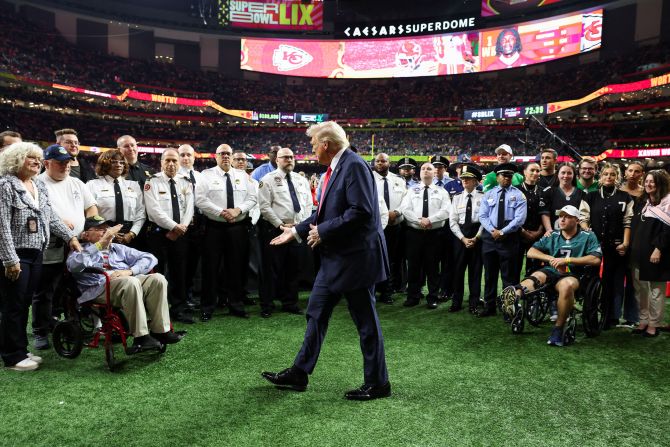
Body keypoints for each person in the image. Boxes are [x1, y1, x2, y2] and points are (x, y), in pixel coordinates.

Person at [261, 121, 390, 401]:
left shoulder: (353, 165)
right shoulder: (336, 169)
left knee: (366, 323)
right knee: (316, 313)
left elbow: (362, 212)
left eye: (312, 144)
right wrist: (295, 231)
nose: (310, 149)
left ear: (326, 145)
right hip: (336, 258)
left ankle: (379, 383)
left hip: (355, 260)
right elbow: (323, 213)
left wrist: (323, 231)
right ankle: (300, 372)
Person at [0, 142, 80, 371]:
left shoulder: (37, 186)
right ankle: (11, 356)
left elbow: (51, 216)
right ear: (16, 160)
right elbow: (2, 226)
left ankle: (20, 348)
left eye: (38, 158)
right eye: (30, 158)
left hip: (37, 253)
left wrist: (70, 237)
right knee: (13, 305)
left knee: (23, 304)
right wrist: (9, 260)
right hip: (16, 254)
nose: (36, 162)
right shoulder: (5, 186)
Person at [66, 217, 182, 352]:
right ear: (86, 235)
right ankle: (141, 337)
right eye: (99, 229)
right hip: (98, 289)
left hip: (124, 283)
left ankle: (160, 331)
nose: (105, 232)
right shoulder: (80, 251)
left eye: (107, 229)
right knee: (130, 282)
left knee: (158, 279)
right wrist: (99, 245)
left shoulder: (118, 248)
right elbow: (74, 266)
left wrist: (130, 271)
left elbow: (150, 258)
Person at [500, 205, 602, 347]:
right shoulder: (553, 235)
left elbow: (596, 259)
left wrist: (567, 260)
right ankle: (514, 298)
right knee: (536, 276)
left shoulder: (588, 236)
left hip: (574, 274)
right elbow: (531, 252)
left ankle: (558, 329)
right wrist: (551, 259)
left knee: (565, 286)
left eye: (567, 216)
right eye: (560, 216)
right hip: (552, 270)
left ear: (577, 220)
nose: (562, 219)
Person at [32, 144, 98, 350]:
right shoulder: (37, 183)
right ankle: (40, 331)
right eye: (60, 163)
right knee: (45, 291)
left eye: (68, 162)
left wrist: (90, 226)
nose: (65, 166)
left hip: (77, 244)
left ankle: (71, 326)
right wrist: (62, 225)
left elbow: (91, 207)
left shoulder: (77, 183)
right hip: (51, 245)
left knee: (75, 288)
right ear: (46, 163)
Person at [195, 144, 258, 321]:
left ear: (232, 156)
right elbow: (200, 199)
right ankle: (207, 307)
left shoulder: (242, 175)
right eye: (222, 154)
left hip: (237, 227)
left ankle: (236, 305)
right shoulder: (206, 175)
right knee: (210, 268)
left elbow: (253, 198)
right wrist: (222, 212)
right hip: (214, 227)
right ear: (215, 156)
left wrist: (237, 210)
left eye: (228, 154)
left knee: (236, 268)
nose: (225, 157)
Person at [257, 147, 312, 317]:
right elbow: (264, 206)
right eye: (285, 157)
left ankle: (290, 302)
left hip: (296, 230)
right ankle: (267, 304)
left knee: (293, 268)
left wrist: (301, 225)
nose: (289, 160)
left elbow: (308, 204)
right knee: (271, 269)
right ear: (277, 160)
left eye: (292, 157)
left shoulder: (301, 180)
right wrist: (280, 225)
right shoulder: (267, 179)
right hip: (275, 229)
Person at [580, 163, 634, 328]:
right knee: (591, 280)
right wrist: (587, 232)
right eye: (606, 174)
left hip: (617, 248)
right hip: (594, 247)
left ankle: (611, 316)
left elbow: (628, 222)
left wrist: (625, 243)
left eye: (612, 174)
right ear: (600, 177)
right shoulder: (590, 196)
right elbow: (583, 219)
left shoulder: (626, 197)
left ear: (617, 177)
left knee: (613, 282)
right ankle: (589, 314)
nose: (609, 177)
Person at [144, 149, 194, 324]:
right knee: (157, 273)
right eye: (168, 160)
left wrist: (182, 227)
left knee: (179, 272)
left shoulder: (185, 182)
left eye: (174, 160)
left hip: (181, 233)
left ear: (179, 162)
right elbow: (153, 210)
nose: (171, 164)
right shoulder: (152, 182)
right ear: (161, 162)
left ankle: (178, 309)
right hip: (158, 234)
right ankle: (156, 310)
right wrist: (174, 226)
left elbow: (190, 207)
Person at [478, 163, 527, 316]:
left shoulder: (519, 195)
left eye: (509, 176)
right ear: (497, 177)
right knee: (489, 275)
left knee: (509, 277)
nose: (507, 178)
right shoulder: (489, 194)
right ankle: (489, 307)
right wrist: (494, 231)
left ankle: (508, 310)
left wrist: (502, 232)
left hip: (509, 238)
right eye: (503, 175)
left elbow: (520, 219)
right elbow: (483, 216)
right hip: (490, 238)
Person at [400, 162, 451, 309]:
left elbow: (447, 210)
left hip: (434, 235)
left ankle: (432, 297)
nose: (426, 171)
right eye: (423, 169)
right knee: (414, 266)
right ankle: (413, 296)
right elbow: (405, 209)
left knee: (433, 267)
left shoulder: (441, 191)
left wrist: (430, 220)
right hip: (414, 234)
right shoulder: (411, 190)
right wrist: (418, 220)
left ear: (434, 172)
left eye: (429, 169)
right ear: (419, 173)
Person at [629, 170, 670, 337]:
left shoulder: (668, 203)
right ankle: (643, 320)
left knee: (656, 291)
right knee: (641, 290)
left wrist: (658, 249)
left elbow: (667, 231)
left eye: (652, 181)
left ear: (661, 184)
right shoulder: (643, 202)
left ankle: (654, 324)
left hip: (656, 254)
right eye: (646, 181)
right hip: (638, 254)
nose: (648, 184)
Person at [87, 149, 146, 246]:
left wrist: (132, 233)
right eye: (114, 162)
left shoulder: (134, 185)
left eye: (122, 162)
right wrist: (109, 231)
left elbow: (141, 212)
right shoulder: (92, 185)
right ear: (104, 164)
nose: (119, 164)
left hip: (130, 236)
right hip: (103, 234)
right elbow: (90, 213)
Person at [449, 164, 484, 313]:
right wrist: (463, 238)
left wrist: (476, 238)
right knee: (457, 270)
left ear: (475, 181)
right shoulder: (456, 198)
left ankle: (474, 302)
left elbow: (484, 220)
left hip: (477, 235)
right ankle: (456, 301)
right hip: (460, 236)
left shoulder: (483, 197)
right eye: (463, 178)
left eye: (468, 179)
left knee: (475, 271)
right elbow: (453, 221)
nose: (465, 181)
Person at [372, 153, 407, 304]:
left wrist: (397, 212)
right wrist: (385, 215)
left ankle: (387, 291)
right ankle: (373, 291)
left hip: (395, 225)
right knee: (374, 259)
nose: (380, 163)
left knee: (392, 260)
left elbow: (406, 201)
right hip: (376, 227)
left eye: (383, 161)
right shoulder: (368, 178)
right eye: (378, 161)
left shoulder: (399, 180)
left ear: (389, 162)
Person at [177, 144, 204, 308]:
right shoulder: (175, 177)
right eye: (183, 155)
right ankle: (180, 297)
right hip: (181, 225)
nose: (186, 158)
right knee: (181, 263)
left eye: (189, 155)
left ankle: (190, 294)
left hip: (199, 225)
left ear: (194, 157)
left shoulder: (200, 176)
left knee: (194, 263)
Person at [540, 162, 586, 236]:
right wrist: (549, 230)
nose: (565, 176)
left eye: (569, 173)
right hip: (554, 234)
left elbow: (583, 215)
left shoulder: (582, 194)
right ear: (558, 174)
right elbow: (545, 213)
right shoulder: (548, 192)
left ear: (574, 175)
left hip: (576, 235)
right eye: (563, 173)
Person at [518, 161, 544, 277]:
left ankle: (532, 294)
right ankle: (514, 293)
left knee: (535, 268)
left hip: (537, 235)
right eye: (532, 170)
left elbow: (546, 213)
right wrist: (522, 231)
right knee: (514, 267)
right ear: (524, 172)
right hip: (517, 234)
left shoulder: (544, 191)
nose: (535, 173)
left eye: (538, 171)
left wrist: (539, 231)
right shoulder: (515, 190)